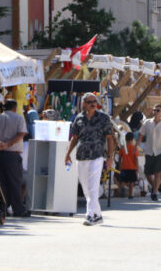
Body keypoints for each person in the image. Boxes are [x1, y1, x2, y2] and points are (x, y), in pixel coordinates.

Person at [65, 94, 116, 226]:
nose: (93, 104)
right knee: (86, 189)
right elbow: (75, 138)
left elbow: (110, 138)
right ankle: (98, 215)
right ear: (84, 104)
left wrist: (110, 157)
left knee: (93, 187)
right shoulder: (79, 118)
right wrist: (68, 153)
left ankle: (90, 215)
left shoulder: (103, 118)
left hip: (96, 156)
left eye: (95, 101)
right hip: (81, 156)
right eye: (90, 102)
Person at [0, 99, 28, 217]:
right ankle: (18, 210)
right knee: (15, 182)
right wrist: (7, 145)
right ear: (15, 108)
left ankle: (3, 208)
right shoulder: (19, 118)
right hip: (12, 154)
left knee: (1, 183)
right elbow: (21, 134)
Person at [139, 104, 161, 201]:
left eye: (158, 110)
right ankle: (155, 187)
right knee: (147, 173)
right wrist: (136, 145)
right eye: (154, 110)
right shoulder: (147, 123)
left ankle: (155, 192)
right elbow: (141, 134)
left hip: (160, 151)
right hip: (149, 151)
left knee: (158, 173)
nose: (155, 112)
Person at [117, 132, 139, 199]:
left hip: (124, 167)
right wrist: (137, 167)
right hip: (132, 167)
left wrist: (120, 167)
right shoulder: (134, 148)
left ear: (125, 139)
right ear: (132, 139)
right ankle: (130, 195)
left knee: (123, 181)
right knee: (131, 182)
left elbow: (120, 159)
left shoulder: (122, 148)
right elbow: (136, 159)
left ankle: (120, 193)